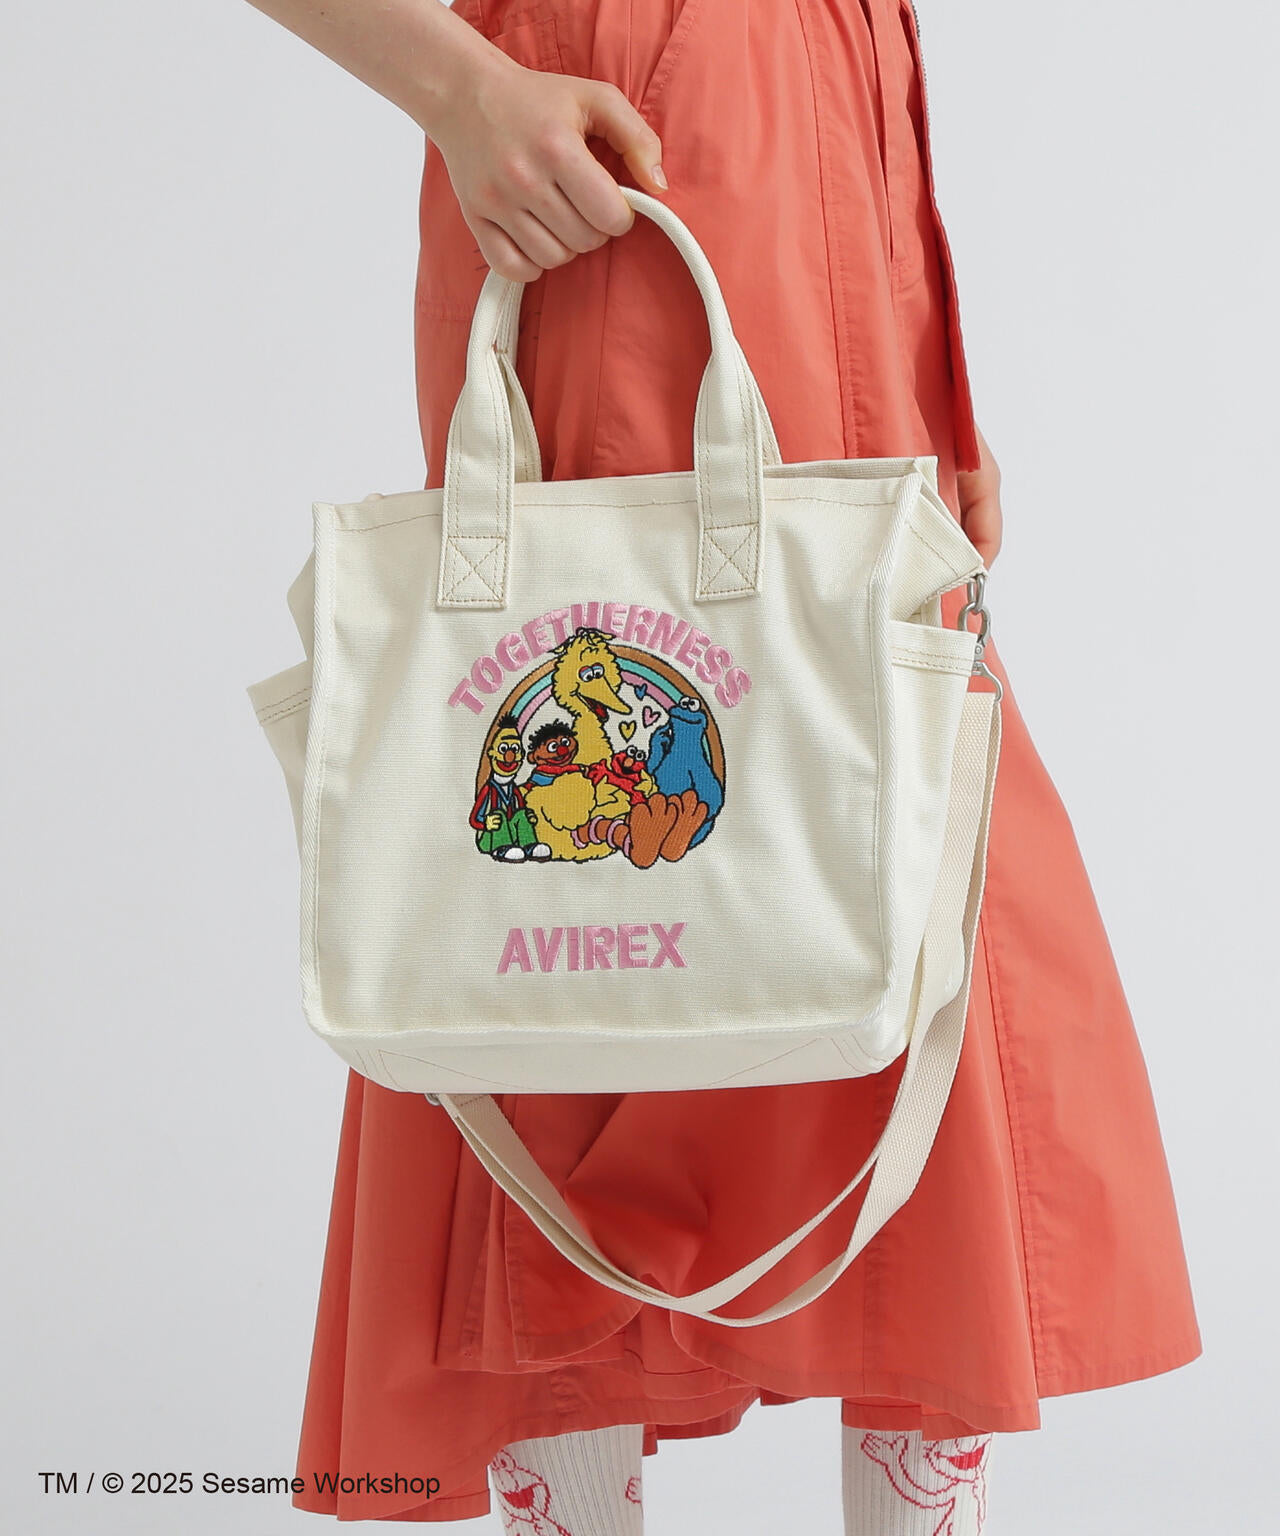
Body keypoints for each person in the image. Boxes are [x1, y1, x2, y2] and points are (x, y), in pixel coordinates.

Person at [242, 2, 1203, 1530]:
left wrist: (925, 376)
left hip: (844, 141)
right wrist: (462, 87)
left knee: (898, 863)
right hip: (617, 128)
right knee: (597, 935)